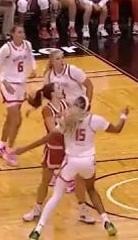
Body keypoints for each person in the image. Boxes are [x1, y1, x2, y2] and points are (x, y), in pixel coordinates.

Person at [14, 95, 126, 240]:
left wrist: (24, 149)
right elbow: (117, 129)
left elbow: (47, 138)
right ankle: (107, 221)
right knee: (91, 190)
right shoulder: (95, 120)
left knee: (56, 196)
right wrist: (124, 115)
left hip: (71, 162)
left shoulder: (67, 122)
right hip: (89, 162)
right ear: (88, 107)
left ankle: (37, 230)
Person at [20, 83, 98, 225]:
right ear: (53, 94)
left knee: (80, 181)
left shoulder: (66, 103)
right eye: (58, 88)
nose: (62, 89)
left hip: (70, 148)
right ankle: (37, 209)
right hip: (54, 148)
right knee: (45, 181)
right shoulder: (47, 110)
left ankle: (83, 211)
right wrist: (65, 119)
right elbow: (52, 130)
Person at [0, 25, 37, 165]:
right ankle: (9, 149)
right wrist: (3, 81)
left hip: (21, 85)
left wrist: (34, 69)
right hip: (9, 85)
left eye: (23, 32)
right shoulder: (6, 48)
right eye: (18, 32)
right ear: (12, 34)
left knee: (11, 120)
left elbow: (31, 58)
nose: (21, 34)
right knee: (17, 120)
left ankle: (1, 146)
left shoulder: (27, 45)